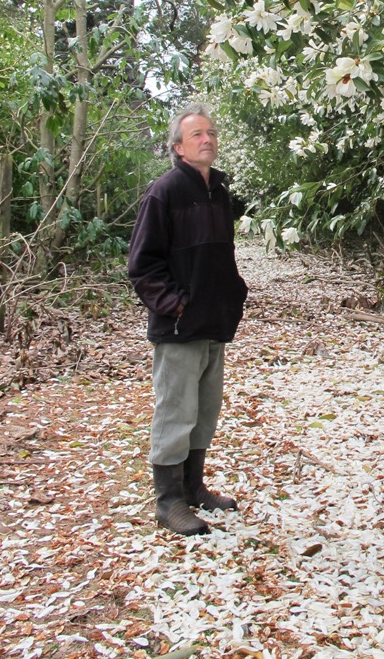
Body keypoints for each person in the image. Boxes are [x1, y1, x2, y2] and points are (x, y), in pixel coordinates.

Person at [128, 103, 248, 536]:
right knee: (176, 412)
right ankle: (169, 502)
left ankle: (194, 487)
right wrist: (176, 304)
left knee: (204, 411)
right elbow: (142, 266)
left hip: (215, 321)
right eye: (197, 134)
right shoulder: (165, 192)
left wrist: (233, 294)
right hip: (179, 327)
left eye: (211, 133)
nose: (207, 139)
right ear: (178, 147)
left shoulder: (218, 191)